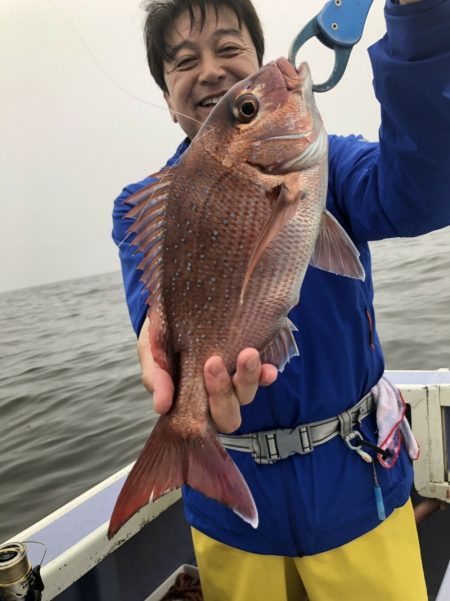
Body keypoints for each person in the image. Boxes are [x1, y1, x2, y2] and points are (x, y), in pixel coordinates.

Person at [112, 0, 450, 599]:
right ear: (166, 94)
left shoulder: (329, 167)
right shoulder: (140, 206)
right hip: (230, 513)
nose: (210, 69)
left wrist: (422, 19)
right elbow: (158, 311)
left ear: (259, 57)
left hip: (358, 488)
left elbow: (420, 192)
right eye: (184, 61)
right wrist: (163, 348)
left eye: (229, 48)